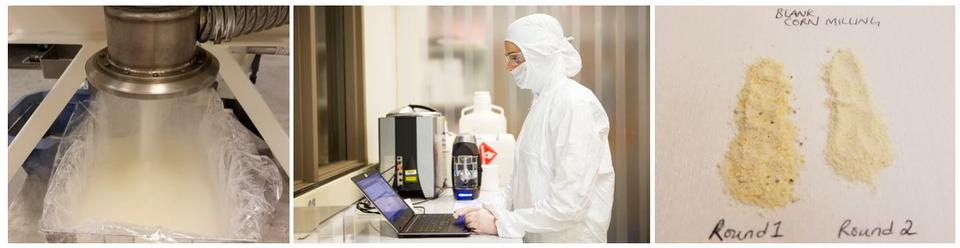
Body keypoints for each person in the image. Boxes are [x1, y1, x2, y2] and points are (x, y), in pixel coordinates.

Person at [452, 13, 615, 243]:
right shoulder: (541, 102)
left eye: (515, 58)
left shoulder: (575, 104)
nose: (509, 67)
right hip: (537, 237)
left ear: (540, 54)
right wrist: (489, 209)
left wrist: (503, 223)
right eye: (508, 58)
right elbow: (519, 181)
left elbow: (568, 204)